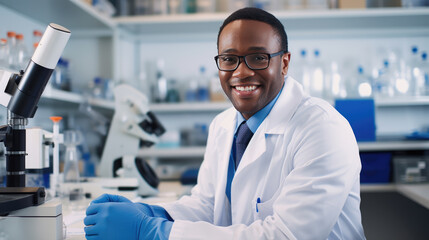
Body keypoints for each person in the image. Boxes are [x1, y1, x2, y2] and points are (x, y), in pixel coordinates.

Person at [84, 7, 365, 240]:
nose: (241, 72)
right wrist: (152, 213)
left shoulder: (322, 129)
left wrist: (152, 232)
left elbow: (286, 234)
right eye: (229, 59)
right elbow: (209, 205)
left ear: (285, 63)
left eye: (258, 57)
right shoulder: (223, 125)